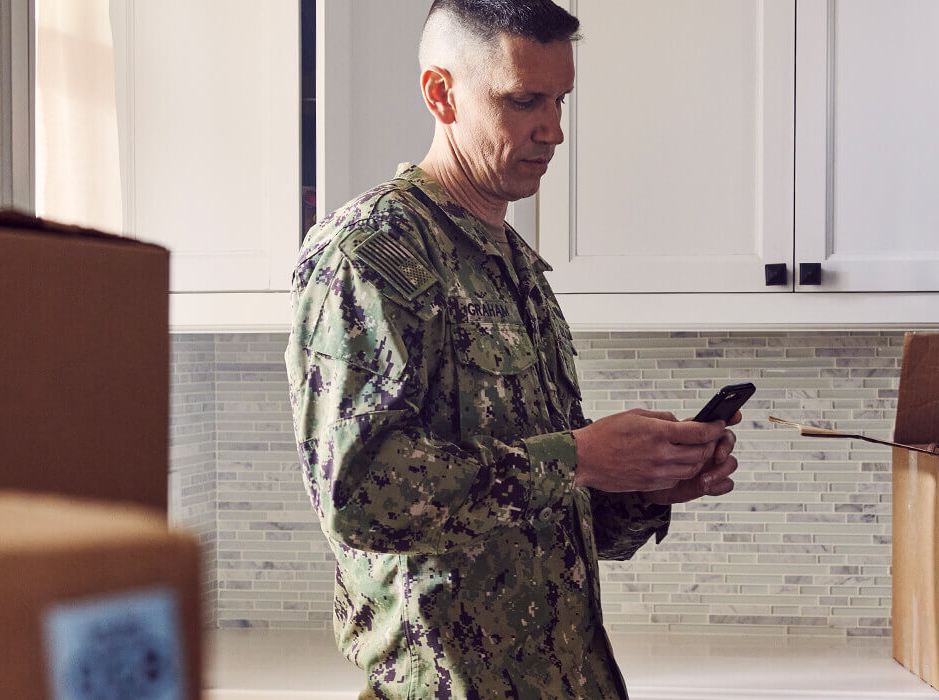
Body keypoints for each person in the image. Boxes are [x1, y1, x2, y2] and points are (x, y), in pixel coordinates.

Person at [284, 1, 741, 697]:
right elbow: (357, 495)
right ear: (441, 93)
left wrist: (641, 485)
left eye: (559, 101)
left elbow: (544, 512)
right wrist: (579, 455)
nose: (553, 130)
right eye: (524, 100)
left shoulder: (516, 266)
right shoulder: (373, 252)